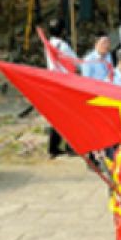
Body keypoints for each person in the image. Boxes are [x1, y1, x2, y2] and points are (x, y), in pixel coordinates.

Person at [44, 18, 78, 156]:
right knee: (70, 115)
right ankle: (70, 147)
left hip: (54, 81)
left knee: (58, 116)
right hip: (65, 83)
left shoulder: (49, 44)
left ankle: (53, 147)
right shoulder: (63, 46)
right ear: (63, 31)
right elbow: (74, 61)